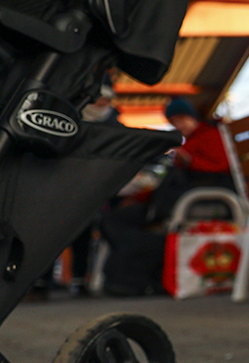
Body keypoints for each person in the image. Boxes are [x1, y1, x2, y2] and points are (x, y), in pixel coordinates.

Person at [99, 98, 234, 296]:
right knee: (112, 220)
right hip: (172, 201)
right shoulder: (189, 143)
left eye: (182, 119)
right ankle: (128, 276)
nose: (179, 125)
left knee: (126, 226)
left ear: (193, 116)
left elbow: (223, 167)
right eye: (174, 122)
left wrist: (190, 161)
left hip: (196, 201)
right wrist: (141, 197)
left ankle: (131, 278)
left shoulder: (211, 136)